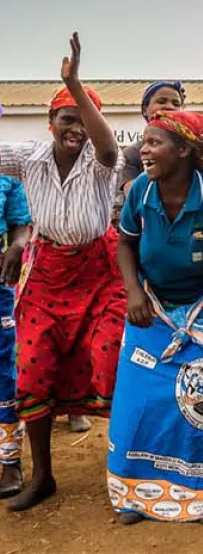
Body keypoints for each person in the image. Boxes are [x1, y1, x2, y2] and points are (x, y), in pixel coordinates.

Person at [0, 33, 127, 511]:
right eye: (66, 118)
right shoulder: (27, 158)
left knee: (111, 363)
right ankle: (43, 477)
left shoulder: (101, 160)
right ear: (51, 122)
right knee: (31, 369)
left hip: (100, 272)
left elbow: (110, 146)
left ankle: (124, 473)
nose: (75, 128)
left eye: (83, 118)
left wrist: (74, 84)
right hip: (48, 272)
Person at [108, 110, 203, 525]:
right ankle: (135, 494)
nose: (143, 150)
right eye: (143, 142)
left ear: (184, 150)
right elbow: (125, 245)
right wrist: (134, 293)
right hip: (152, 305)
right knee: (138, 399)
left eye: (154, 143)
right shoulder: (140, 193)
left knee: (199, 394)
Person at [0, 173, 31, 500]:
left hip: (0, 281)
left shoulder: (7, 173)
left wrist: (19, 245)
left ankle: (10, 460)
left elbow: (20, 223)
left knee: (4, 368)